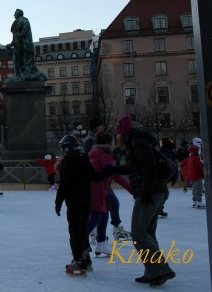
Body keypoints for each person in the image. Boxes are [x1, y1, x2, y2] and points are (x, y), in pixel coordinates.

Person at [114, 114, 176, 286]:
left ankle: (161, 270)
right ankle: (152, 272)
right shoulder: (136, 141)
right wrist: (112, 169)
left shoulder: (136, 141)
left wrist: (147, 191)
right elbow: (136, 166)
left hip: (150, 192)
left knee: (139, 233)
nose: (117, 136)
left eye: (118, 132)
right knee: (147, 233)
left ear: (122, 132)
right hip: (154, 191)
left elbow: (149, 165)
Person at [54, 135, 109, 275]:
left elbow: (64, 184)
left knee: (75, 231)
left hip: (74, 201)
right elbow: (95, 177)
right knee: (83, 230)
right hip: (86, 201)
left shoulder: (68, 161)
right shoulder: (84, 158)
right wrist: (107, 171)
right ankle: (86, 260)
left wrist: (58, 202)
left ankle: (79, 260)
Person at [86, 132, 131, 257]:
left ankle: (101, 243)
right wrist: (132, 189)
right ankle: (81, 240)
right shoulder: (105, 156)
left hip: (95, 188)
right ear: (109, 143)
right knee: (96, 215)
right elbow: (115, 175)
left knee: (104, 214)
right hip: (99, 189)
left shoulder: (93, 153)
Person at [158, 138, 178, 217]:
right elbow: (173, 168)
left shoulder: (161, 152)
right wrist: (174, 178)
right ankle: (158, 209)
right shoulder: (169, 155)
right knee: (164, 194)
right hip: (162, 178)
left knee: (163, 194)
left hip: (160, 178)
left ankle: (158, 209)